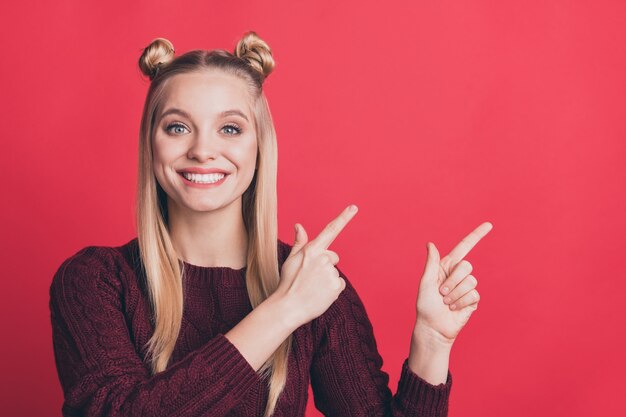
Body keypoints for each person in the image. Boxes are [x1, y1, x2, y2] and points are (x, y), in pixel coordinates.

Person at [49, 31, 493, 417]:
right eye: (178, 127)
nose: (203, 150)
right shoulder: (94, 281)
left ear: (260, 147)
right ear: (152, 143)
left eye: (230, 129)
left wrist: (432, 341)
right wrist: (281, 312)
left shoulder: (311, 283)